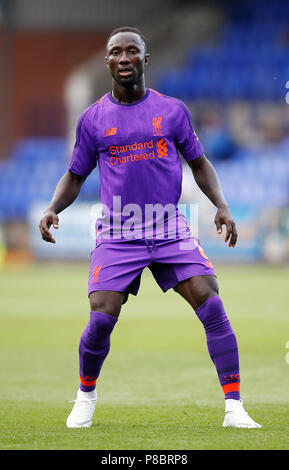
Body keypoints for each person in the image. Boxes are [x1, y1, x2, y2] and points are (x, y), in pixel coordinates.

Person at [39, 26, 261, 429]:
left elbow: (199, 163)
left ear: (145, 59)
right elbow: (75, 174)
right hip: (119, 229)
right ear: (107, 61)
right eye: (115, 52)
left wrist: (222, 205)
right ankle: (86, 395)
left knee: (210, 301)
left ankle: (234, 407)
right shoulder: (93, 120)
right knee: (102, 316)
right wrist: (54, 207)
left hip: (168, 226)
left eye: (132, 51)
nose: (124, 58)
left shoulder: (173, 110)